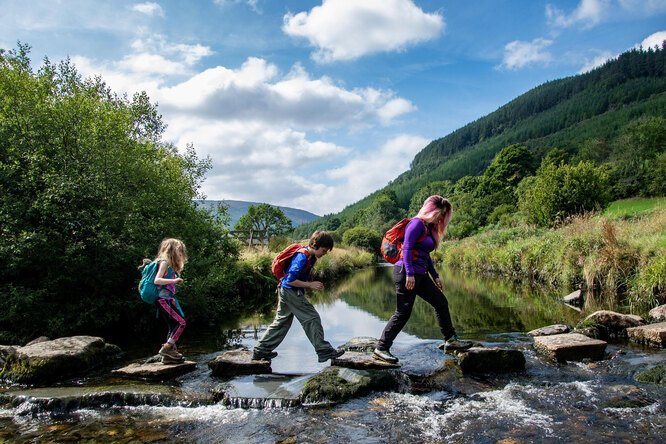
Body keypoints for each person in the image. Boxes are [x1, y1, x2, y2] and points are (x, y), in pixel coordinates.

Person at [373, 195, 471, 364]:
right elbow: (408, 249)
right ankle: (381, 348)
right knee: (403, 312)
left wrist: (436, 276)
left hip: (420, 274)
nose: (441, 218)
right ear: (432, 211)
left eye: (444, 215)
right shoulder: (416, 224)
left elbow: (425, 255)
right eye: (440, 214)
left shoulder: (427, 228)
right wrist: (410, 274)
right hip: (406, 272)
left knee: (441, 302)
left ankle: (451, 340)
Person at [252, 231, 345, 363]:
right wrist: (309, 285)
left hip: (285, 290)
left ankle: (261, 350)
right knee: (312, 318)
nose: (324, 254)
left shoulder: (310, 256)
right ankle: (323, 350)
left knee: (281, 322)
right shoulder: (302, 258)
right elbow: (290, 280)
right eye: (323, 250)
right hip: (290, 291)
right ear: (314, 245)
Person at [151, 238, 188, 364]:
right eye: (179, 251)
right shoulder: (164, 263)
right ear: (172, 251)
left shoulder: (168, 264)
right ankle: (166, 348)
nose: (181, 254)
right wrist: (174, 281)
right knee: (181, 322)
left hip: (167, 299)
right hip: (163, 300)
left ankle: (169, 356)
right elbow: (157, 280)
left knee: (173, 325)